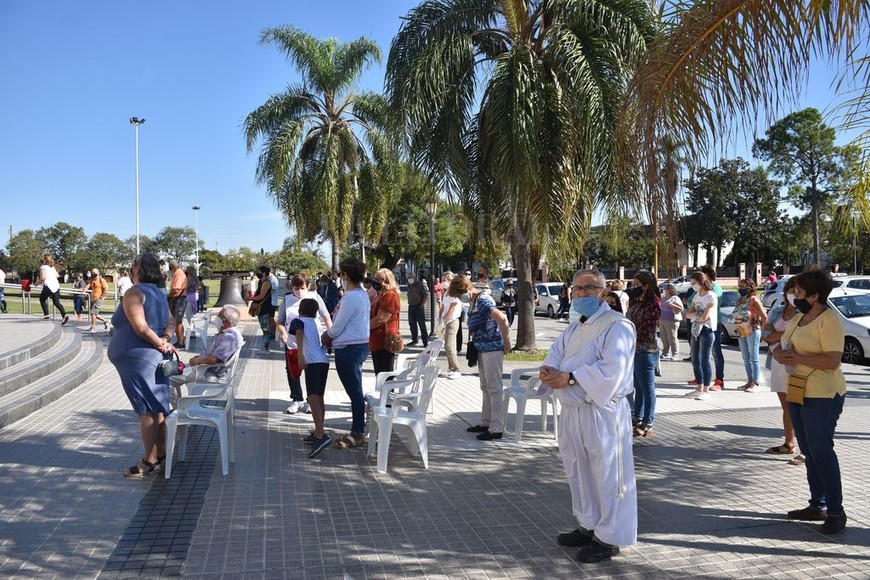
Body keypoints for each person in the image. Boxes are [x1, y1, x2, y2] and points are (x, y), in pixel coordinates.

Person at [540, 268, 637, 564]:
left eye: (588, 288)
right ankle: (588, 523)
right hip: (573, 411)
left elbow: (612, 370)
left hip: (602, 411)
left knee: (608, 474)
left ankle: (609, 537)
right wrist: (549, 372)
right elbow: (555, 354)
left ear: (604, 293)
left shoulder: (617, 326)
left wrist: (568, 378)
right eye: (577, 288)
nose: (581, 294)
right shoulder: (575, 325)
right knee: (578, 470)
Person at [773, 269, 847, 534]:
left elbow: (832, 361)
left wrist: (796, 359)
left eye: (801, 293)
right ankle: (817, 505)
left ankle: (836, 513)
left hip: (823, 394)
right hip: (797, 389)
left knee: (822, 451)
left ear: (815, 296)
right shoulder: (801, 316)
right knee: (809, 451)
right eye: (795, 292)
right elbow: (786, 342)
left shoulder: (830, 321)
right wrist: (781, 353)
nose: (796, 297)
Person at [107, 253, 174, 477]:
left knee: (146, 410)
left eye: (132, 267)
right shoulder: (160, 294)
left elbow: (140, 328)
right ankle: (161, 454)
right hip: (153, 358)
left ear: (137, 270)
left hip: (139, 360)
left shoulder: (134, 293)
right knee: (158, 409)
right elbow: (171, 322)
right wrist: (165, 338)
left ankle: (149, 461)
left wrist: (160, 343)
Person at [323, 258, 370, 450]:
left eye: (341, 274)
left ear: (346, 275)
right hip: (357, 346)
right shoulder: (361, 294)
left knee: (355, 392)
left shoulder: (351, 297)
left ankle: (358, 432)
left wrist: (326, 335)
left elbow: (338, 327)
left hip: (349, 349)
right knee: (355, 390)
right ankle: (357, 429)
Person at [464, 277, 511, 441]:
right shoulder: (474, 301)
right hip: (482, 349)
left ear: (467, 288)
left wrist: (507, 342)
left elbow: (502, 318)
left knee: (494, 388)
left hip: (492, 349)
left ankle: (497, 427)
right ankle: (486, 422)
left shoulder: (483, 300)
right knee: (485, 387)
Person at [277, 274, 333, 414]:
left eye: (302, 288)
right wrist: (283, 333)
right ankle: (297, 398)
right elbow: (280, 321)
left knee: (311, 371)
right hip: (292, 343)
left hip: (312, 343)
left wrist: (330, 336)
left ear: (307, 286)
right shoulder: (287, 299)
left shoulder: (315, 297)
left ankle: (310, 400)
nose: (299, 291)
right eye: (296, 288)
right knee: (292, 371)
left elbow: (326, 318)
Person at [762, 277, 802, 463]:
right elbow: (765, 334)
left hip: (798, 365)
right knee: (787, 407)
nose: (794, 294)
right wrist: (780, 339)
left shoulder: (805, 314)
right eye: (791, 290)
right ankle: (789, 443)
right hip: (778, 364)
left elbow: (798, 337)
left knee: (801, 407)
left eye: (798, 291)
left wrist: (776, 336)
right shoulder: (778, 310)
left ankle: (807, 450)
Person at [289, 298, 332, 458]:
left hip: (312, 361)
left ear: (300, 309)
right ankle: (319, 430)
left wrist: (300, 356)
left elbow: (298, 334)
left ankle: (320, 434)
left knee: (312, 397)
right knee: (319, 396)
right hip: (323, 360)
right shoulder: (315, 322)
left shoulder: (298, 321)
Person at [625, 270, 660, 437]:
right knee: (637, 387)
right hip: (633, 349)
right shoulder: (635, 301)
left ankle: (648, 422)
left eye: (637, 284)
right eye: (633, 284)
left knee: (647, 388)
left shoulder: (653, 303)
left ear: (646, 285)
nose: (634, 287)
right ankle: (637, 417)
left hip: (646, 351)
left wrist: (629, 332)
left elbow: (645, 328)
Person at [180, 305, 244, 382]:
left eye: (219, 316)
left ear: (227, 321)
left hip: (206, 371)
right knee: (172, 370)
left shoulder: (230, 337)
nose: (217, 318)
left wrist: (196, 361)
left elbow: (213, 360)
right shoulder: (227, 333)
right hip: (203, 367)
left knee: (169, 379)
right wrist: (197, 358)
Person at [686, 271, 718, 400]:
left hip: (707, 330)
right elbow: (688, 314)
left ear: (700, 282)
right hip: (696, 330)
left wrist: (695, 317)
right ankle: (699, 387)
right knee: (695, 359)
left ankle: (706, 389)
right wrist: (696, 317)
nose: (692, 285)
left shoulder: (711, 296)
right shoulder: (696, 296)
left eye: (694, 282)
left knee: (705, 359)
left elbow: (706, 316)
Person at [732, 278, 768, 392]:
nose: (741, 288)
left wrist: (762, 329)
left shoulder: (753, 300)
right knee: (745, 358)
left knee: (754, 357)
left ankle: (755, 382)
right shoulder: (740, 300)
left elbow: (764, 316)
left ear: (750, 287)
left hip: (753, 330)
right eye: (739, 286)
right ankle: (749, 380)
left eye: (743, 286)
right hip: (741, 332)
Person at [368, 269, 402, 375]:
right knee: (380, 373)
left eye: (380, 280)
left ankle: (387, 392)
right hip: (377, 341)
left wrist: (362, 327)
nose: (377, 282)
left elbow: (381, 319)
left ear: (387, 280)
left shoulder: (390, 295)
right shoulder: (381, 295)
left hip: (384, 341)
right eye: (376, 279)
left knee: (385, 375)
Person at [700, 265, 725, 389]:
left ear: (707, 275)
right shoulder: (701, 289)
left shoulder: (715, 288)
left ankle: (719, 380)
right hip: (701, 323)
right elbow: (691, 302)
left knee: (715, 351)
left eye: (702, 274)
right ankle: (702, 377)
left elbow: (710, 303)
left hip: (713, 323)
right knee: (702, 353)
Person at [440, 274, 465, 379]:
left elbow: (451, 309)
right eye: (444, 279)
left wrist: (443, 321)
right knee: (447, 346)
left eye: (449, 280)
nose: (446, 281)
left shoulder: (454, 294)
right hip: (447, 321)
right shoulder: (446, 293)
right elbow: (443, 307)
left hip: (452, 321)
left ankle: (456, 369)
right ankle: (451, 368)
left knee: (450, 346)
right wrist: (440, 318)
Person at [250, 265, 279, 353]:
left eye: (259, 272)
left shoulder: (266, 282)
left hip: (265, 308)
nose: (257, 273)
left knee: (265, 328)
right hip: (261, 308)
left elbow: (261, 296)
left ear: (263, 273)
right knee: (263, 327)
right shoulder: (261, 282)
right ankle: (265, 347)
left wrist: (250, 298)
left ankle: (266, 348)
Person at [37, 254, 69, 325]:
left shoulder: (43, 267)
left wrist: (37, 283)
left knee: (42, 299)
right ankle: (64, 315)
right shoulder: (52, 268)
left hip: (48, 286)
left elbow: (43, 278)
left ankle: (46, 314)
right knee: (56, 302)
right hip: (56, 286)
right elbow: (57, 275)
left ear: (43, 260)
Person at [659, 283, 683, 361]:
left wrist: (672, 305)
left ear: (670, 290)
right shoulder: (663, 298)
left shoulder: (675, 298)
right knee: (664, 338)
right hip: (662, 320)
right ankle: (665, 353)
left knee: (672, 338)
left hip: (672, 321)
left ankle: (675, 354)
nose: (664, 290)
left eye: (666, 289)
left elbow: (680, 309)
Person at [167, 260, 187, 346]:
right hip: (180, 298)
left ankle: (180, 342)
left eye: (171, 268)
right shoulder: (180, 272)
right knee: (178, 321)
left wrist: (168, 296)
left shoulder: (178, 273)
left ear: (173, 267)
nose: (171, 270)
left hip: (179, 299)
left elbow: (176, 289)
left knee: (176, 321)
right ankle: (181, 340)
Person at [406, 271, 429, 347]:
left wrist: (422, 305)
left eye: (411, 277)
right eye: (408, 278)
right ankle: (414, 339)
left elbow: (425, 295)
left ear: (414, 277)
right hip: (411, 306)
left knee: (422, 325)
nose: (409, 279)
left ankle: (425, 341)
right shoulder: (409, 285)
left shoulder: (419, 284)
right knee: (412, 324)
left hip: (418, 306)